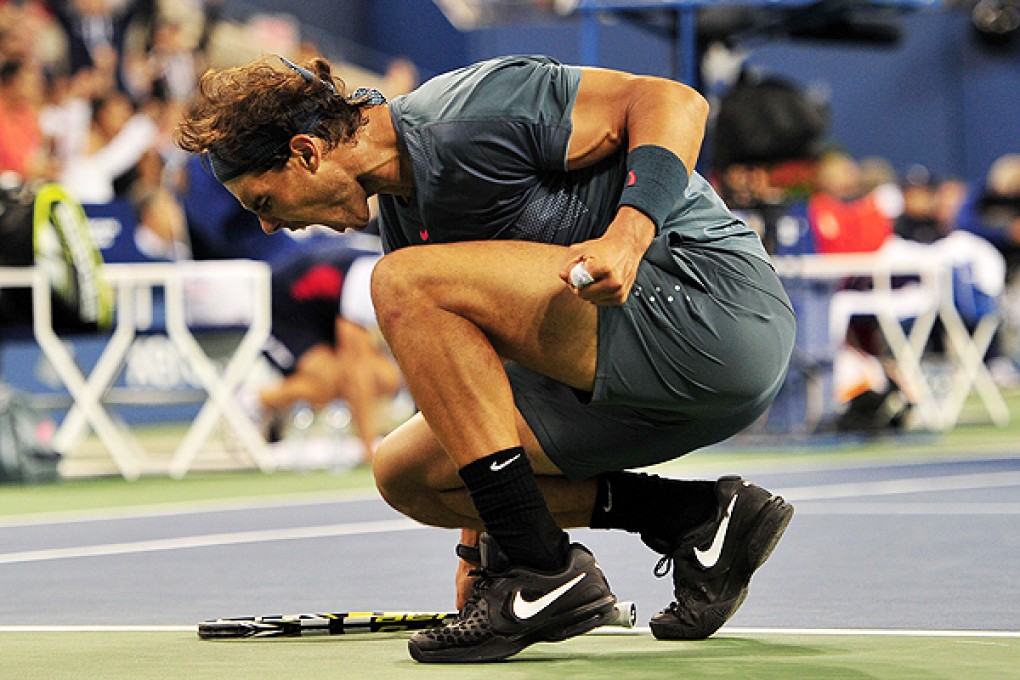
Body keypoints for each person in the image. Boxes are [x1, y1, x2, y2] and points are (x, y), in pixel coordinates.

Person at [176, 54, 797, 664]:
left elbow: (673, 101)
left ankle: (543, 572)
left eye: (262, 202)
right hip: (631, 369)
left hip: (713, 311)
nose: (268, 228)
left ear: (307, 152)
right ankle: (697, 518)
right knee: (408, 473)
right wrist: (479, 556)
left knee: (398, 282)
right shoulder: (407, 218)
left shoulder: (465, 111)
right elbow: (472, 394)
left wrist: (627, 237)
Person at [259, 240, 402, 465]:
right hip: (280, 307)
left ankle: (277, 401)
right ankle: (255, 402)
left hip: (323, 308)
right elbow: (357, 374)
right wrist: (369, 450)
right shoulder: (368, 288)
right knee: (333, 381)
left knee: (386, 379)